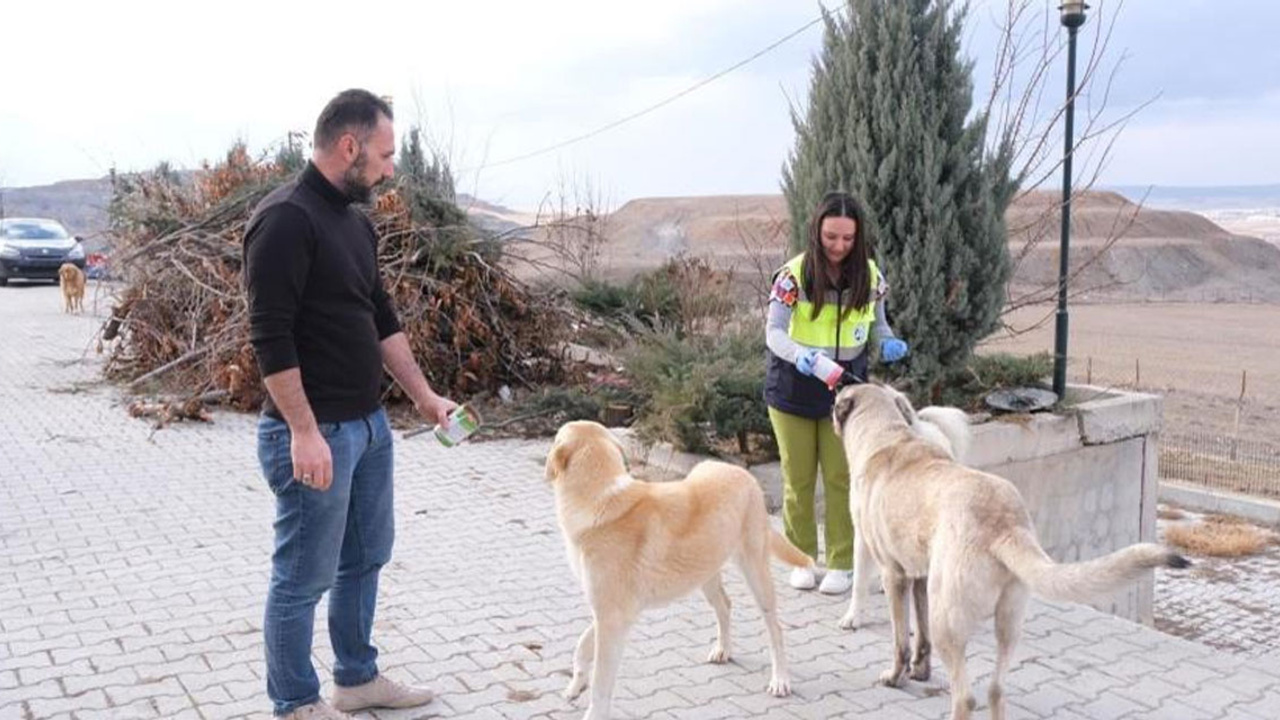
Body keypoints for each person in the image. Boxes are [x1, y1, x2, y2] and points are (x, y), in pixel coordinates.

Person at [244, 89, 457, 719]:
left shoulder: (355, 222)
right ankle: (296, 702)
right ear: (348, 146)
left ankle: (357, 679)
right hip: (314, 435)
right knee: (303, 576)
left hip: (368, 428)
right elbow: (269, 336)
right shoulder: (284, 219)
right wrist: (303, 432)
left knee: (365, 557)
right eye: (385, 155)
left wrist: (424, 398)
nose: (392, 168)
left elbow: (382, 320)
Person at [763, 191, 908, 595]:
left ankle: (843, 563)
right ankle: (801, 558)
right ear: (816, 232)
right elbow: (773, 332)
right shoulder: (792, 276)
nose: (839, 246)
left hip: (847, 394)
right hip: (793, 388)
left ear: (858, 237)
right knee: (798, 479)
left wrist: (889, 340)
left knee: (843, 478)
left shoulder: (871, 275)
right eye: (831, 237)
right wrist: (801, 355)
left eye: (847, 238)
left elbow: (878, 324)